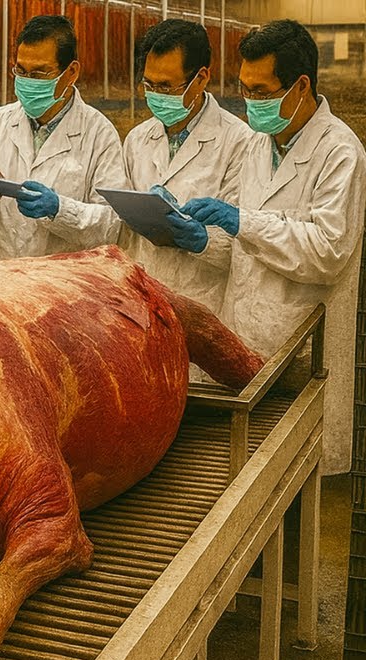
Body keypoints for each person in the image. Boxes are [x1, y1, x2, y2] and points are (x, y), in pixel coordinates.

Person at [184, 19, 365, 476]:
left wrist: (242, 221)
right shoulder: (256, 146)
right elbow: (242, 244)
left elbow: (327, 251)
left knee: (295, 480)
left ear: (301, 86)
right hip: (244, 339)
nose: (251, 103)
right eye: (244, 90)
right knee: (246, 480)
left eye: (262, 92)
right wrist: (199, 235)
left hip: (302, 352)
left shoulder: (341, 152)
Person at [0, 15, 127, 261]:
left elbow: (113, 226)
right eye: (21, 71)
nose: (27, 82)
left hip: (61, 281)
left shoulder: (99, 134)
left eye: (39, 73)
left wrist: (60, 210)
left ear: (71, 72)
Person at [122, 19, 255, 315]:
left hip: (203, 303)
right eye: (149, 85)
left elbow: (248, 244)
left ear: (201, 78)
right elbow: (124, 233)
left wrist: (203, 240)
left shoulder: (240, 142)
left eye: (166, 86)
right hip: (143, 299)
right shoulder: (136, 139)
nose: (156, 95)